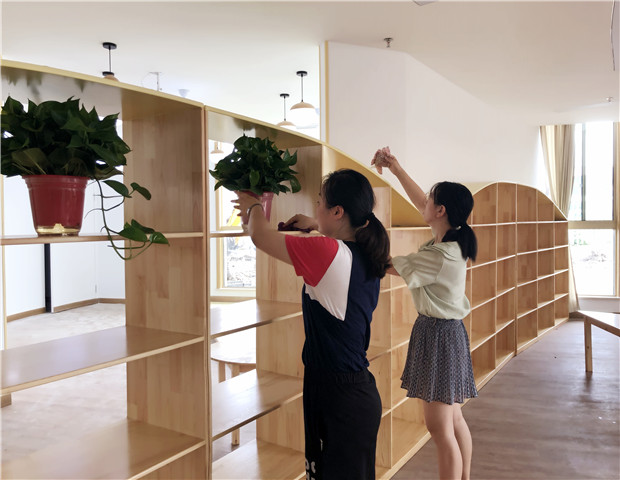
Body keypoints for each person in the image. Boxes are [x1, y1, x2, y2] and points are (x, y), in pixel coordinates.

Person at [233, 168, 391, 480]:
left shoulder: (327, 252)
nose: (315, 208)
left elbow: (261, 237)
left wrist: (253, 204)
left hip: (338, 399)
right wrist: (319, 225)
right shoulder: (364, 249)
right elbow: (336, 245)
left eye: (319, 203)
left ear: (338, 212)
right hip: (350, 394)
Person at [372, 147, 478, 480]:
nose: (424, 203)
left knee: (439, 428)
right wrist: (395, 168)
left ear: (441, 210)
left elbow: (388, 266)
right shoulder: (451, 240)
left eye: (431, 199)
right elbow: (421, 202)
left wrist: (353, 234)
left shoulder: (441, 255)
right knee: (453, 420)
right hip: (447, 333)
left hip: (439, 337)